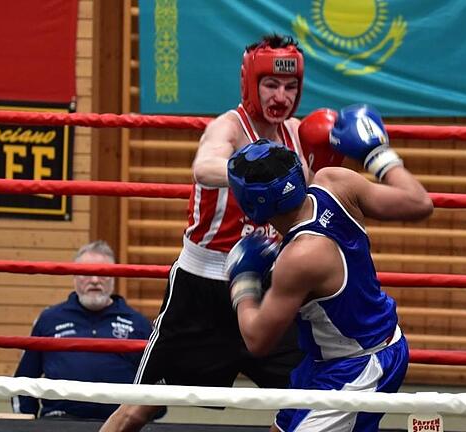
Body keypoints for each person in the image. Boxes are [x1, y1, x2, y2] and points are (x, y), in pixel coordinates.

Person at [101, 34, 311, 432]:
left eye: (290, 86)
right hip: (201, 288)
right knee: (142, 403)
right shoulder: (229, 127)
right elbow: (205, 165)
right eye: (270, 84)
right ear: (250, 83)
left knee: (307, 395)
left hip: (266, 288)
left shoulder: (296, 134)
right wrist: (251, 171)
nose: (280, 96)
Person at [225, 105, 434, 431]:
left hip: (360, 365)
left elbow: (257, 339)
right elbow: (418, 201)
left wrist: (244, 282)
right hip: (329, 358)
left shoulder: (299, 258)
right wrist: (377, 154)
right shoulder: (335, 182)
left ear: (252, 205)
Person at [12, 240, 153, 421]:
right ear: (74, 277)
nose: (94, 280)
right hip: (60, 421)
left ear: (114, 277)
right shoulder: (49, 319)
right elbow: (24, 380)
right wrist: (27, 424)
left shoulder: (138, 323)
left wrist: (137, 420)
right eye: (86, 273)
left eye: (103, 274)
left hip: (120, 423)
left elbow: (154, 390)